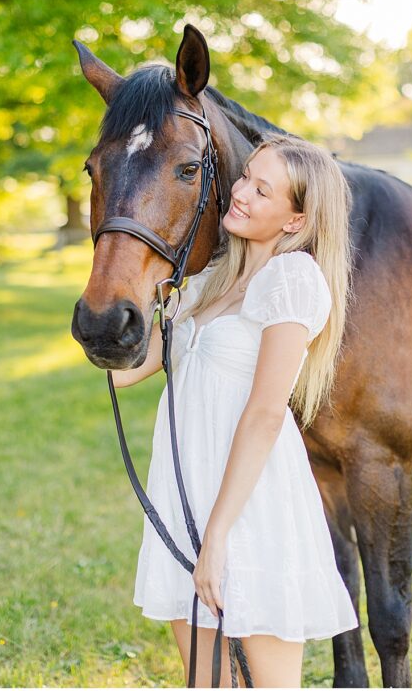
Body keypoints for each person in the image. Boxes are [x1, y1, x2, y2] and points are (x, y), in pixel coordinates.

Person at [111, 133, 358, 686]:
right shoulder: (207, 281)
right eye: (246, 177)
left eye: (262, 191)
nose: (241, 192)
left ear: (294, 221)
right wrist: (112, 292)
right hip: (186, 495)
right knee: (207, 682)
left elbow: (267, 413)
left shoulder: (291, 281)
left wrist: (218, 538)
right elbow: (122, 372)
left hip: (249, 508)